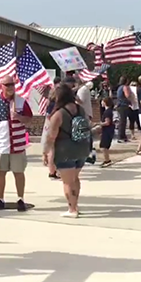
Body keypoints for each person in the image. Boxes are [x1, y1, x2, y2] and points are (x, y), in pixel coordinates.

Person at [0, 76, 33, 211]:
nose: (11, 87)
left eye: (12, 84)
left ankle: (21, 199)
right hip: (1, 144)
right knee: (0, 172)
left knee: (19, 171)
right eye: (7, 85)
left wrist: (19, 117)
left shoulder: (21, 102)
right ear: (2, 86)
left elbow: (29, 120)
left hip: (17, 143)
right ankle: (0, 199)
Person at [43, 83, 91, 218]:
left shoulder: (58, 114)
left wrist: (46, 153)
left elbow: (51, 137)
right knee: (75, 179)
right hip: (81, 148)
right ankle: (76, 205)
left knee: (67, 182)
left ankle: (72, 209)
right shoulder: (81, 110)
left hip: (65, 151)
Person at [43, 77, 61, 180]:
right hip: (56, 126)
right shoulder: (58, 104)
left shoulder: (49, 103)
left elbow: (48, 115)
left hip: (49, 125)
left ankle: (51, 171)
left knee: (51, 149)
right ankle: (57, 170)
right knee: (56, 150)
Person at [76, 81, 97, 164]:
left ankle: (87, 154)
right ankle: (90, 153)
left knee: (84, 135)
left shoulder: (82, 90)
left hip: (83, 115)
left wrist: (74, 98)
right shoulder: (85, 89)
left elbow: (80, 102)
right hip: (86, 114)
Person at [99, 97, 115, 167]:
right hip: (109, 130)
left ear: (105, 102)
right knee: (104, 146)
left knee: (103, 146)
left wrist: (99, 124)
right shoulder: (109, 111)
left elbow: (107, 122)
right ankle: (107, 159)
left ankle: (107, 160)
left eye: (102, 101)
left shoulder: (107, 112)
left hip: (107, 130)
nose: (101, 103)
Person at [116, 76, 132, 143]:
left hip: (119, 105)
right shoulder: (125, 87)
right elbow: (127, 95)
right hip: (123, 105)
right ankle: (120, 137)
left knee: (122, 121)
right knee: (123, 122)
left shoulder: (119, 88)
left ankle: (123, 136)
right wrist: (130, 92)